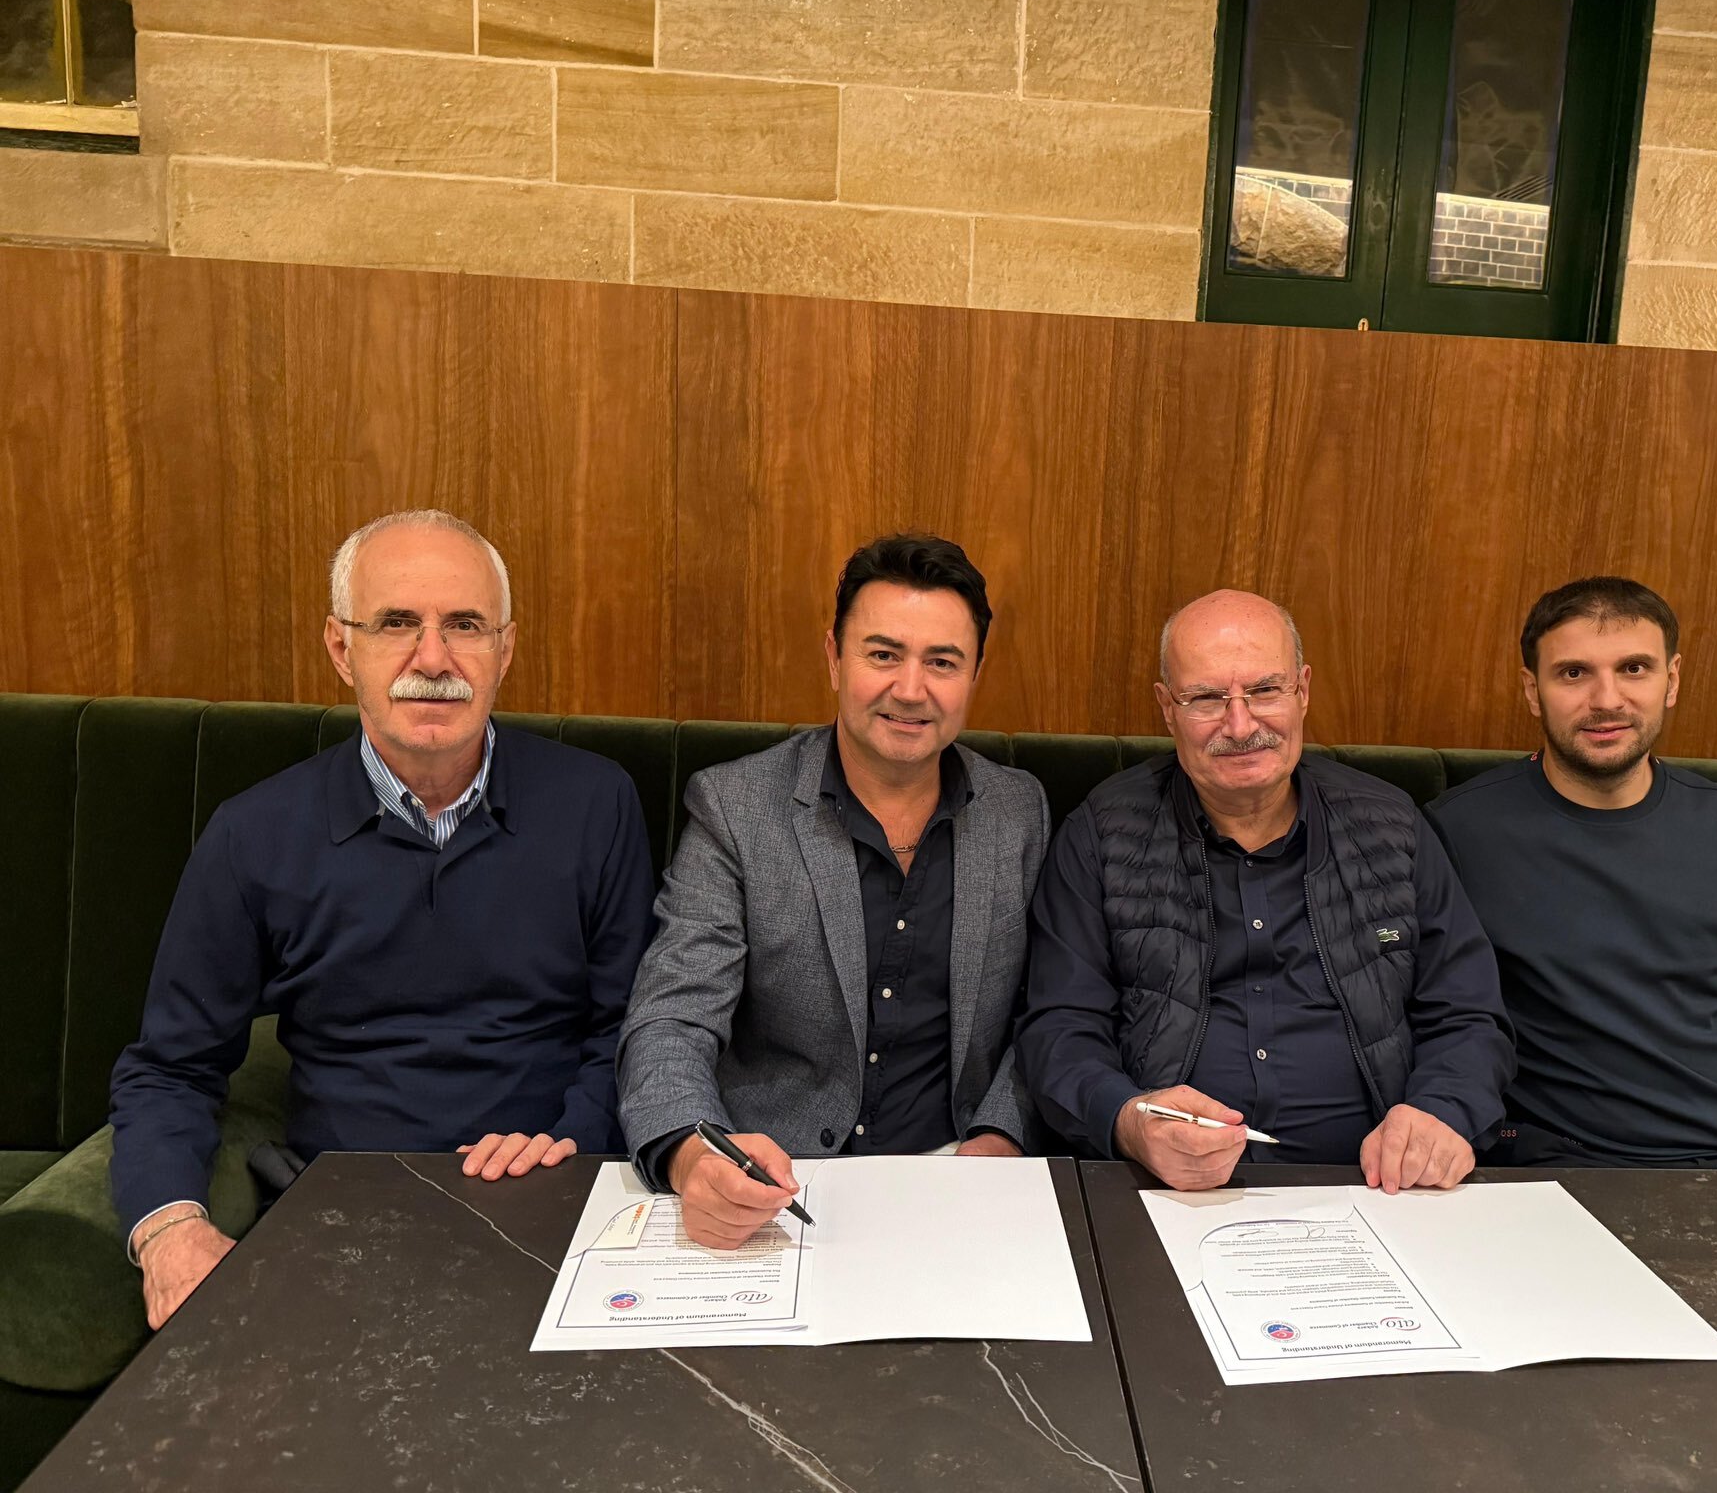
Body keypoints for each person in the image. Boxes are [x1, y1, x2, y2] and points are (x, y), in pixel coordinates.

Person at [110, 509, 654, 1327]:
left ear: (504, 649)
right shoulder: (252, 835)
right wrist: (169, 1229)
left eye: (464, 625)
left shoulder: (596, 804)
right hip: (340, 1222)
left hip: (557, 1204)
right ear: (341, 647)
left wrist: (573, 1139)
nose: (432, 659)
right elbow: (170, 1068)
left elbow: (633, 1030)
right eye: (397, 623)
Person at [618, 534, 1050, 1249]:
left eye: (942, 662)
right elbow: (673, 1016)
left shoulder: (1019, 811)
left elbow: (1049, 1007)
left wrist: (1002, 1135)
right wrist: (697, 1155)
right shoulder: (735, 808)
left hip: (960, 1179)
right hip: (778, 1183)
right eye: (883, 654)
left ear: (975, 674)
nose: (910, 689)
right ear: (834, 658)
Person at [1017, 589, 1514, 1193]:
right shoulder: (1101, 834)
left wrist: (1442, 1112)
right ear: (1167, 709)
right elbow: (1060, 1026)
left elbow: (1468, 1014)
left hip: (1382, 1191)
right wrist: (1127, 1121)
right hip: (1163, 1192)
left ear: (1302, 690)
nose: (1240, 724)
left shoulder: (1394, 827)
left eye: (1265, 690)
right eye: (1206, 698)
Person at [1425, 578, 1717, 1222]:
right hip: (1552, 1166)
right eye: (1574, 672)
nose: (1607, 700)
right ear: (1532, 689)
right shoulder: (1458, 831)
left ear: (1671, 679)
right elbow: (1439, 1017)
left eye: (1634, 668)